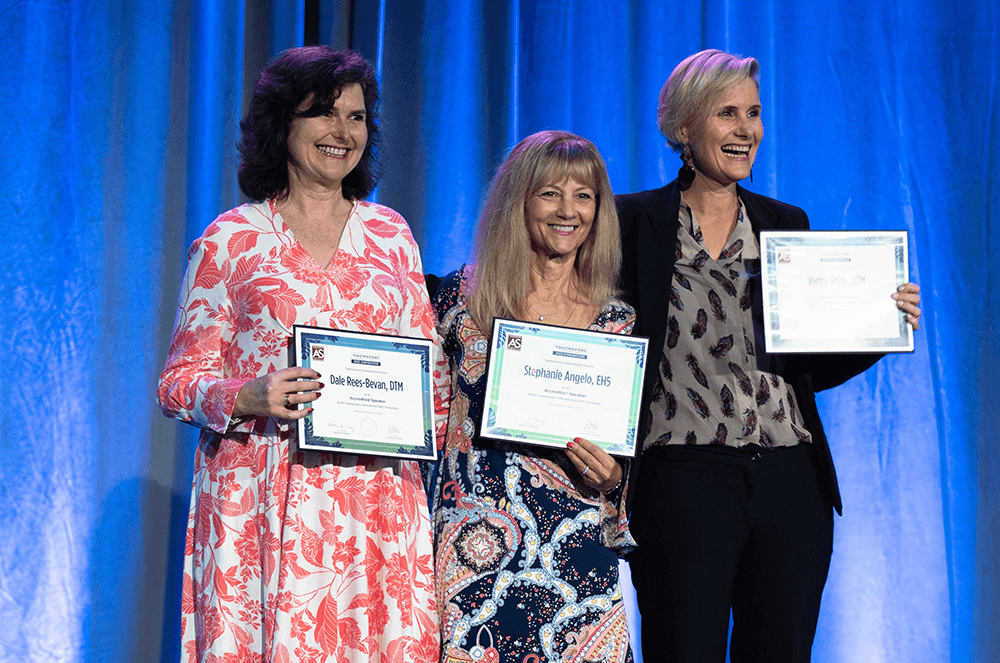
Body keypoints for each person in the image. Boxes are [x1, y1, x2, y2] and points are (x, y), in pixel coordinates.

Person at [617, 49, 922, 663]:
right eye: (726, 113)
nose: (745, 130)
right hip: (683, 479)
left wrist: (879, 326)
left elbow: (804, 363)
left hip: (790, 481)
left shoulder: (787, 224)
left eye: (753, 114)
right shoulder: (632, 222)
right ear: (683, 126)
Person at [158, 46, 445, 662]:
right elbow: (179, 382)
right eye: (323, 114)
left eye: (358, 117)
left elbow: (430, 378)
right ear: (281, 123)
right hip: (260, 494)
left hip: (375, 502)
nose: (343, 133)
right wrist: (249, 395)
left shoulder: (392, 235)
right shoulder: (230, 240)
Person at [430, 130, 636, 663]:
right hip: (474, 552)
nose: (568, 210)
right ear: (517, 202)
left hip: (577, 560)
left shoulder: (618, 324)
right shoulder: (456, 303)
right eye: (549, 192)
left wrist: (614, 478)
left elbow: (628, 463)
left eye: (583, 195)